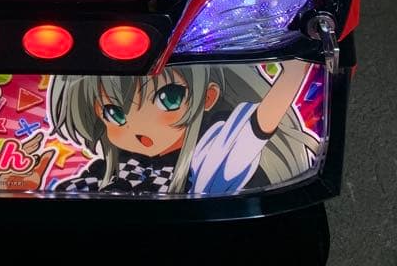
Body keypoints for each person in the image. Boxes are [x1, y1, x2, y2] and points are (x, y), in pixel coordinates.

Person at [47, 60, 317, 196]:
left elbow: (257, 128)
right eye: (114, 113)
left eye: (168, 99)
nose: (138, 126)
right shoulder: (105, 172)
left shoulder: (209, 164)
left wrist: (294, 70)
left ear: (208, 97)